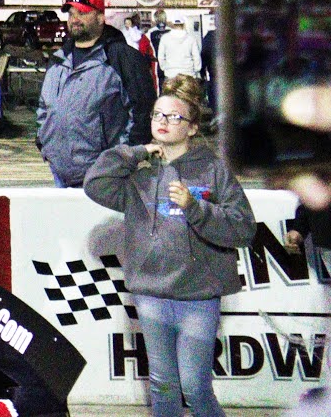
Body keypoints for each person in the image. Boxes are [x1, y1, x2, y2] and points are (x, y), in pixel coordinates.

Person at [84, 76, 253, 417]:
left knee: (195, 387)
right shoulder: (139, 174)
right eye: (157, 115)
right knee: (162, 386)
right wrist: (135, 152)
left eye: (174, 117)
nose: (163, 122)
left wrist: (195, 208)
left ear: (192, 128)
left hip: (198, 297)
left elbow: (243, 228)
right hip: (151, 294)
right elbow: (95, 183)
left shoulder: (213, 170)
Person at [37, 0, 153, 187]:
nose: (75, 19)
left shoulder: (121, 57)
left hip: (105, 174)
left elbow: (142, 111)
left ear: (100, 18)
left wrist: (123, 156)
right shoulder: (59, 59)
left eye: (82, 13)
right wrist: (43, 143)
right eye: (71, 14)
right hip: (60, 170)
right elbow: (44, 106)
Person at [157, 16, 202, 84]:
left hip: (171, 74)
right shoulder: (191, 38)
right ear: (183, 25)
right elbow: (196, 57)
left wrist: (164, 68)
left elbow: (160, 57)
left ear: (172, 25)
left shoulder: (165, 38)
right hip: (188, 74)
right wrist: (196, 69)